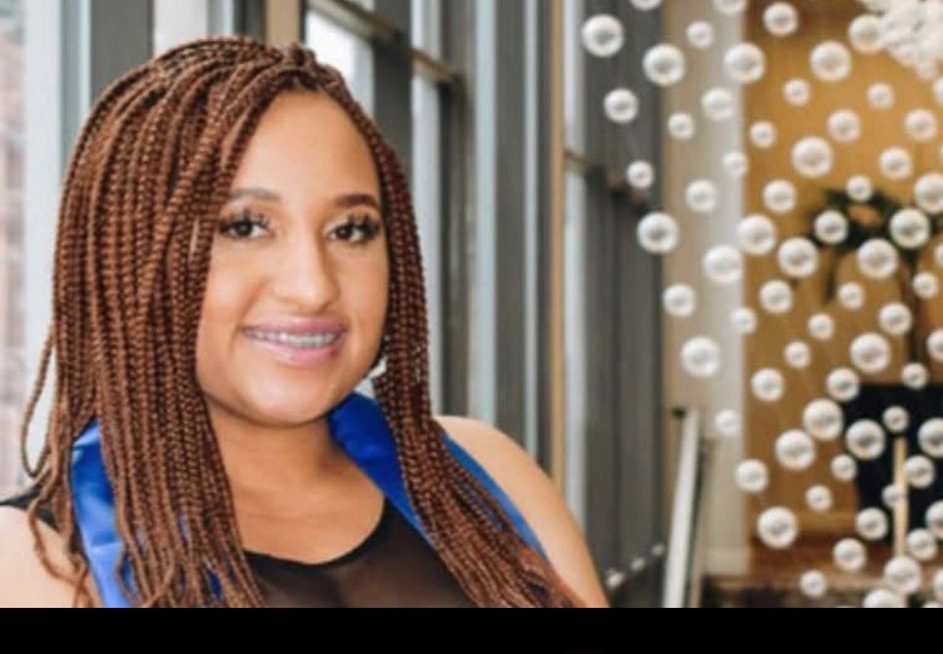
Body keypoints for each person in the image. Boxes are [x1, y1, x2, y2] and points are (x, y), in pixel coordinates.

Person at [0, 36, 608, 609]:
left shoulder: (483, 479)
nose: (314, 287)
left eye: (350, 230)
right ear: (130, 259)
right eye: (244, 227)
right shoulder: (36, 563)